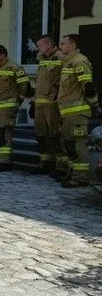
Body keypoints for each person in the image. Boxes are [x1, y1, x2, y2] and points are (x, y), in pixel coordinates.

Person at [57, 34, 100, 188]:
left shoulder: (79, 61)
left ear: (73, 45)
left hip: (78, 113)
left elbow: (87, 87)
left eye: (63, 43)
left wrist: (96, 105)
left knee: (78, 146)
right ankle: (72, 173)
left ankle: (81, 178)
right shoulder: (67, 62)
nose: (60, 46)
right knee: (69, 145)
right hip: (67, 113)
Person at [0, 44, 32, 172]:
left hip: (8, 108)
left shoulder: (15, 68)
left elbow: (24, 86)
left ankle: (4, 162)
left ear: (3, 55)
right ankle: (2, 158)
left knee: (5, 133)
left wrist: (20, 99)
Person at [32, 35, 64, 176]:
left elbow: (64, 81)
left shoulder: (61, 58)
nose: (38, 49)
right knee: (41, 136)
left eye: (40, 46)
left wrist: (56, 94)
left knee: (55, 136)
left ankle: (60, 167)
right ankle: (46, 163)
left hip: (52, 105)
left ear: (49, 45)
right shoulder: (42, 60)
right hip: (39, 104)